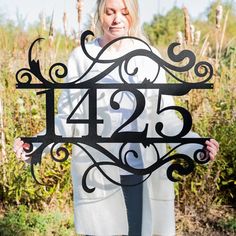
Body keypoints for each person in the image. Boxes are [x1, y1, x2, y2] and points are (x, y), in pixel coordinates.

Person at [14, 0, 219, 235]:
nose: (117, 19)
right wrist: (37, 146)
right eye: (109, 12)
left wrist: (196, 146)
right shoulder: (82, 57)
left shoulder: (148, 57)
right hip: (97, 172)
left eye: (124, 12)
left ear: (134, 14)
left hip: (144, 169)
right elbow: (69, 119)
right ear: (100, 14)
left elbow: (167, 119)